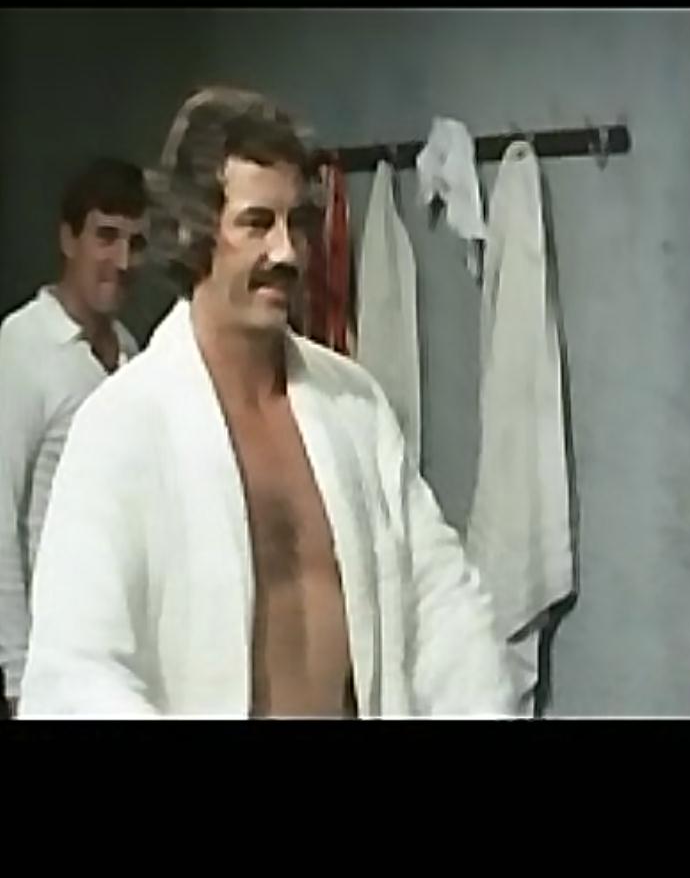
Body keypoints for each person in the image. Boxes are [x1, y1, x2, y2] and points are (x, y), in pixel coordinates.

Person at [20, 87, 513, 718]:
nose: (286, 252)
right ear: (193, 231)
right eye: (256, 223)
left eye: (296, 224)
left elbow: (443, 605)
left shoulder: (353, 405)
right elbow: (77, 677)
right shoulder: (123, 427)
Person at [0, 158, 148, 716]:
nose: (122, 261)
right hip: (48, 662)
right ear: (68, 239)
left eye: (136, 242)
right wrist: (18, 675)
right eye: (105, 236)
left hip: (117, 655)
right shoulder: (22, 346)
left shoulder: (132, 351)